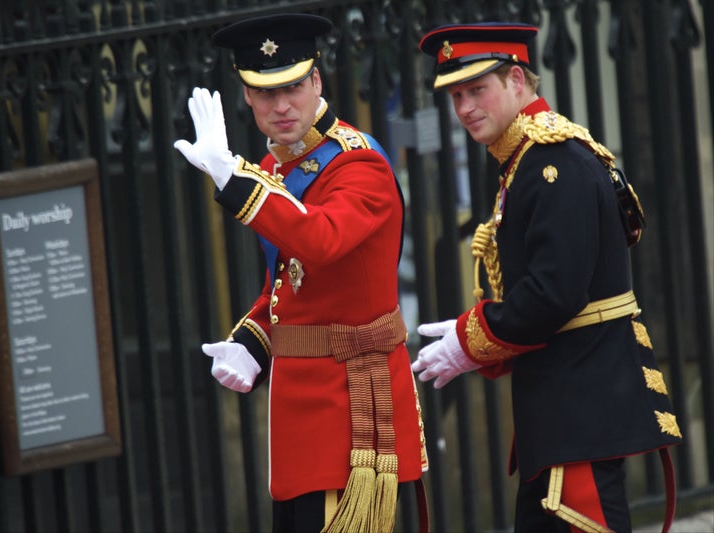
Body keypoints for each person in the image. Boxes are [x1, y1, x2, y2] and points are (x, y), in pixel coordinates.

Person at [411, 22, 682, 533]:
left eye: (477, 90)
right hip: (566, 399)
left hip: (582, 398)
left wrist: (472, 339)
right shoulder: (525, 160)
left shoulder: (552, 161)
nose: (465, 107)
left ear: (517, 80)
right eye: (456, 95)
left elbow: (554, 293)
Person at [173, 13, 428, 533]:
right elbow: (285, 288)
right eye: (265, 93)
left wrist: (230, 176)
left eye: (292, 86)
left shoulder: (359, 165)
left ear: (317, 81)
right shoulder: (275, 171)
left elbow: (321, 239)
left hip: (354, 404)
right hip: (299, 409)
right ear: (246, 95)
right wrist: (252, 341)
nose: (281, 105)